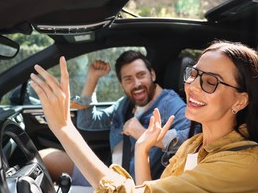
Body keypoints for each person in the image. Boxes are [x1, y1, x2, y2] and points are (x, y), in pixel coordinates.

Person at [30, 40, 258, 193]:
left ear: (239, 101)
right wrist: (142, 148)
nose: (191, 86)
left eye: (210, 81)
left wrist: (64, 128)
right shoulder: (193, 146)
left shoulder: (247, 166)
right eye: (193, 74)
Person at [40, 50, 191, 185]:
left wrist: (145, 135)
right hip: (109, 176)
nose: (136, 84)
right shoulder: (125, 104)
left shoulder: (170, 103)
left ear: (152, 75)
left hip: (132, 190)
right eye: (128, 79)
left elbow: (190, 138)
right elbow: (88, 122)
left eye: (141, 75)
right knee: (44, 158)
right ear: (122, 85)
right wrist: (92, 79)